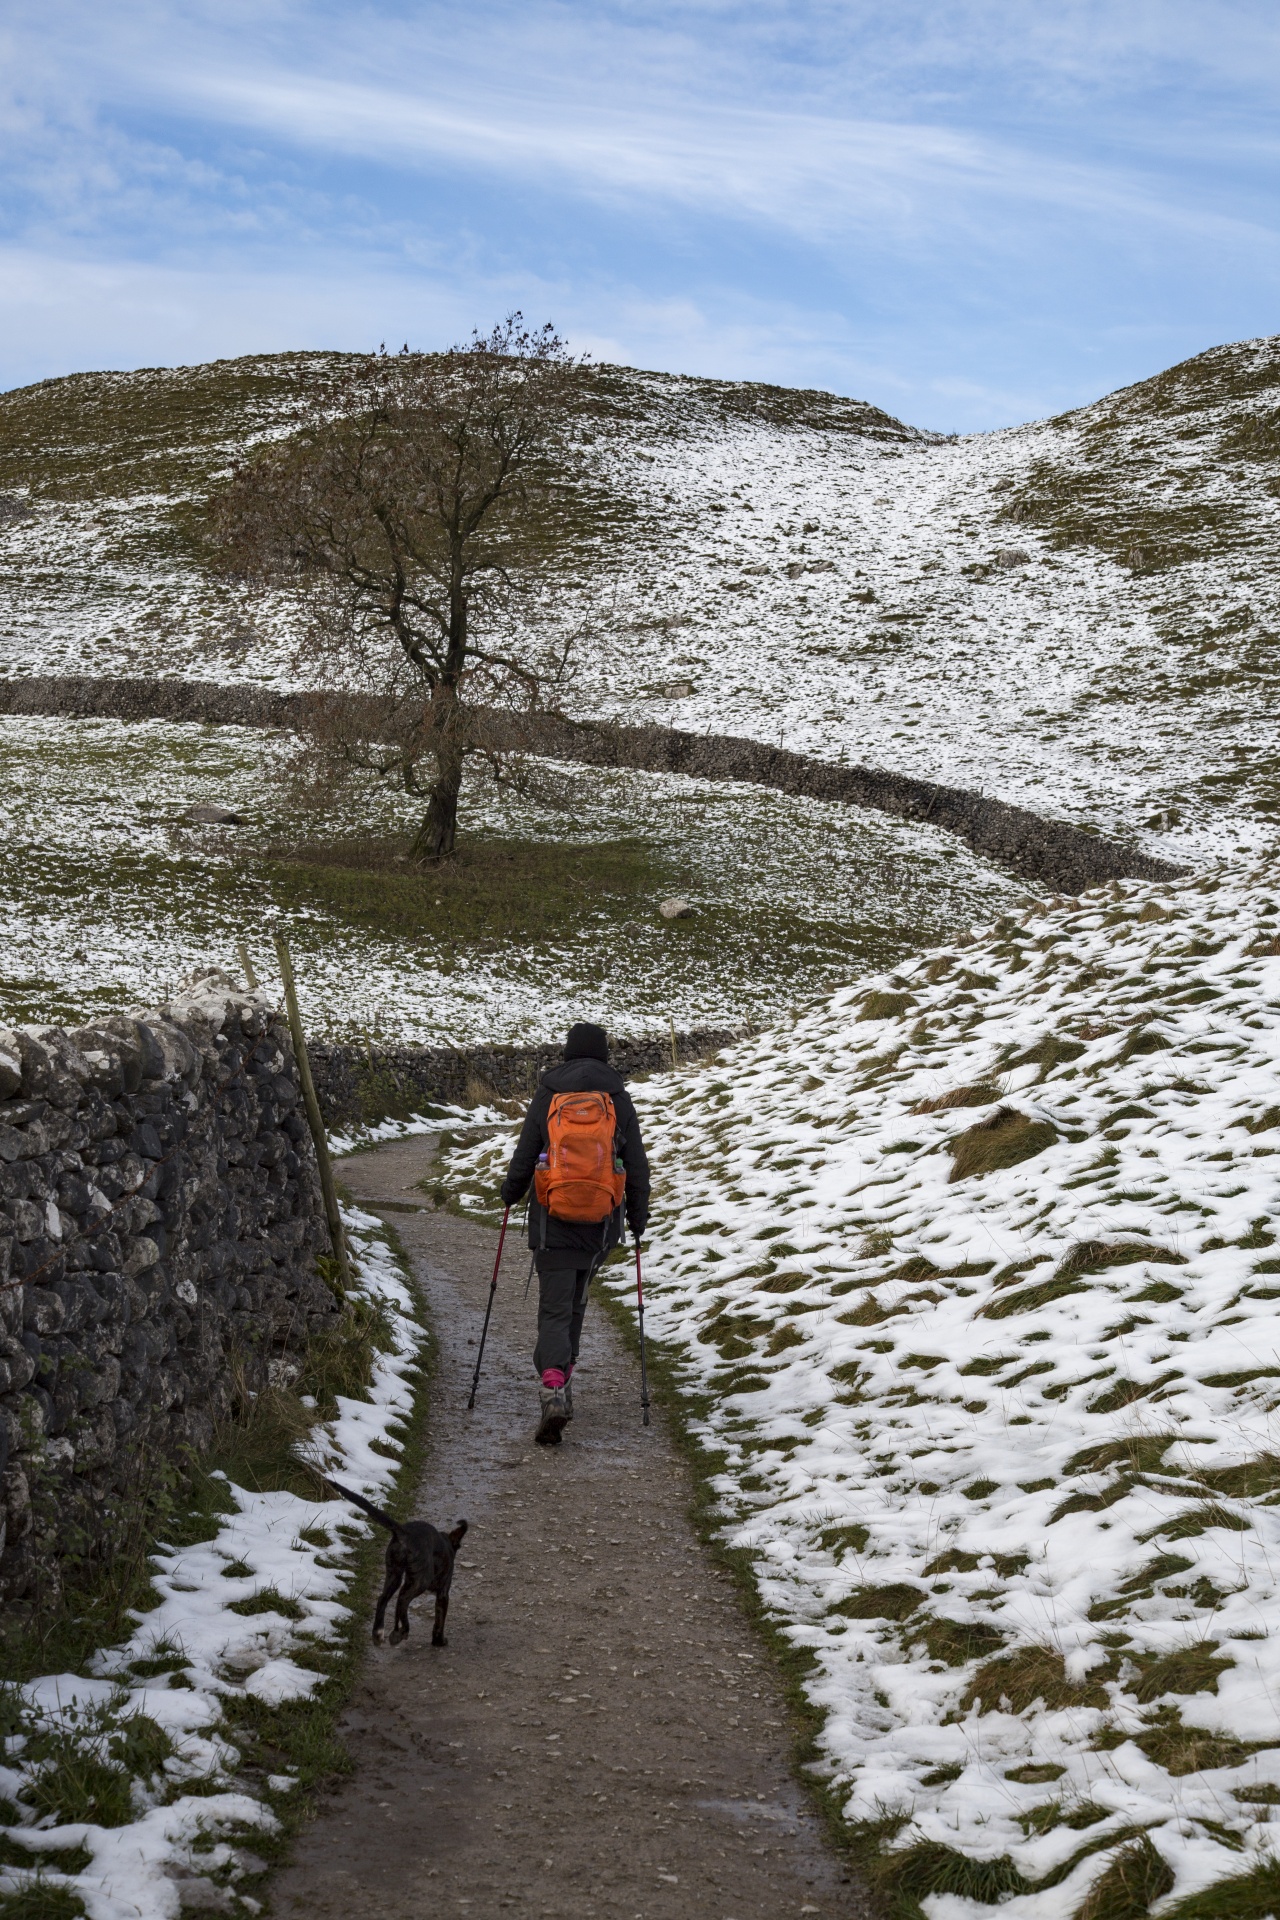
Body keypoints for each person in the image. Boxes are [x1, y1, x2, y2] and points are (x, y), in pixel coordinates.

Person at [500, 1022, 650, 1445]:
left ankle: (553, 1389)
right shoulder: (616, 1097)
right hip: (601, 1223)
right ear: (603, 1054)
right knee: (577, 1304)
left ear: (567, 1051)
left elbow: (527, 1150)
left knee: (554, 1308)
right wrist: (638, 1217)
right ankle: (564, 1381)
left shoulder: (549, 1093)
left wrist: (510, 1193)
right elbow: (635, 1162)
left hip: (553, 1218)